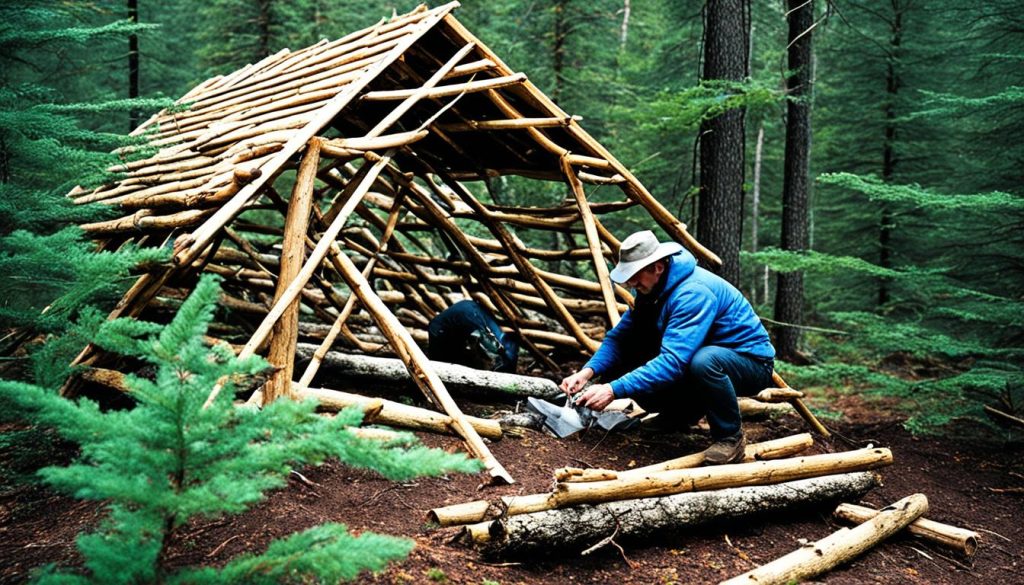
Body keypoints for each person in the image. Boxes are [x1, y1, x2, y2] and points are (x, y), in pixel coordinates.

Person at [560, 230, 775, 464]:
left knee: (705, 361)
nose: (631, 283)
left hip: (750, 362)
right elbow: (619, 339)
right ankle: (680, 416)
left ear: (658, 267)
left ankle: (729, 437)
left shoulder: (692, 293)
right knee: (632, 352)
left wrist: (612, 390)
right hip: (697, 359)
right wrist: (588, 371)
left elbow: (673, 363)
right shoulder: (651, 290)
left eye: (635, 275)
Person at [427, 300, 519, 373]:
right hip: (440, 331)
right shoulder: (478, 321)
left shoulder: (482, 319)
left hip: (455, 327)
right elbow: (492, 346)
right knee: (441, 366)